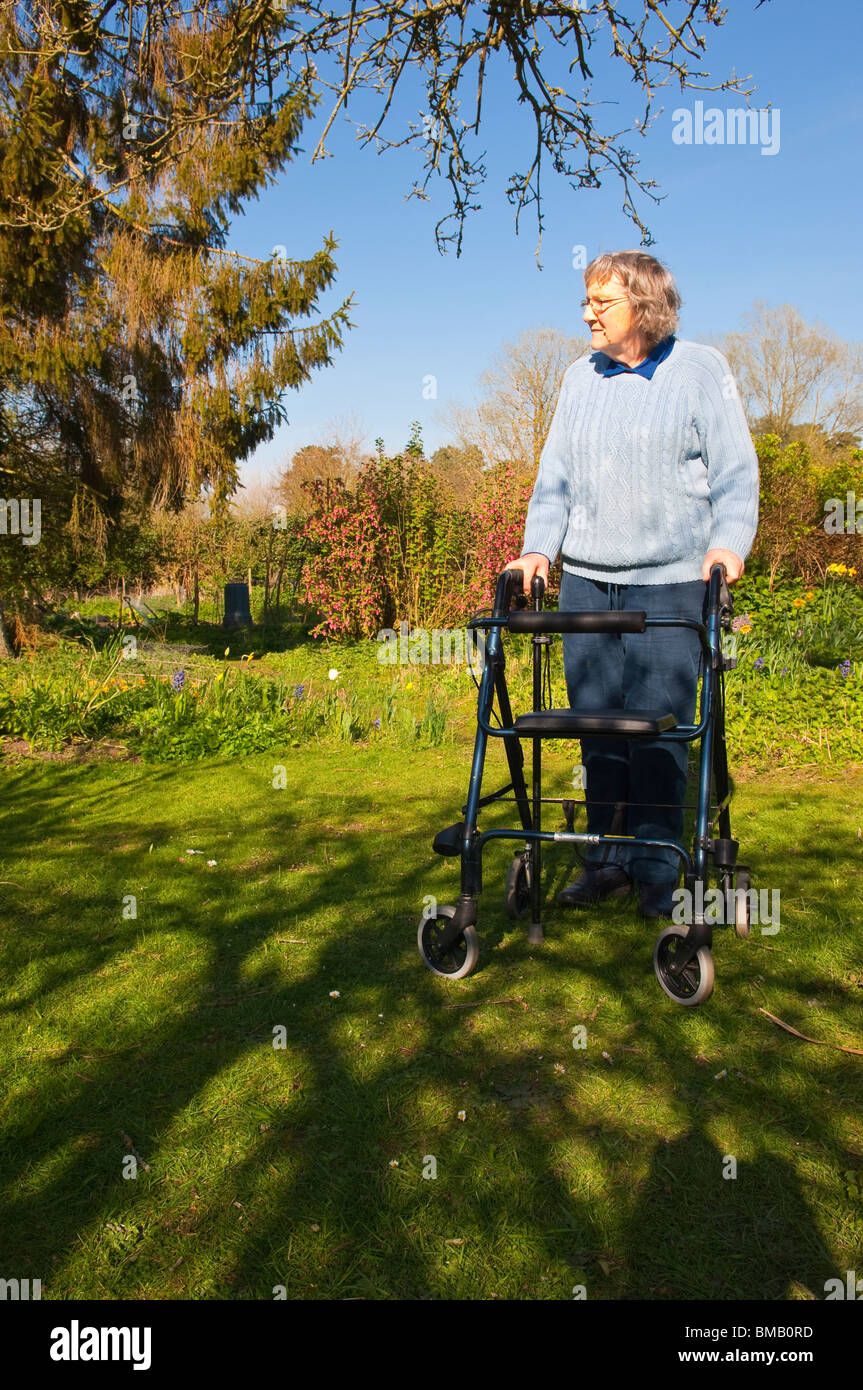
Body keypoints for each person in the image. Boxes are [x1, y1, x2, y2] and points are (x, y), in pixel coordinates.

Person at [503, 250, 758, 919]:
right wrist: (536, 550)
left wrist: (726, 545)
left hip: (670, 583)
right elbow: (552, 478)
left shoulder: (701, 369)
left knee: (657, 730)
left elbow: (735, 470)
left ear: (643, 307)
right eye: (585, 300)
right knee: (598, 730)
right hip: (586, 583)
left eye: (601, 301)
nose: (586, 311)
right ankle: (604, 858)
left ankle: (656, 865)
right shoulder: (577, 378)